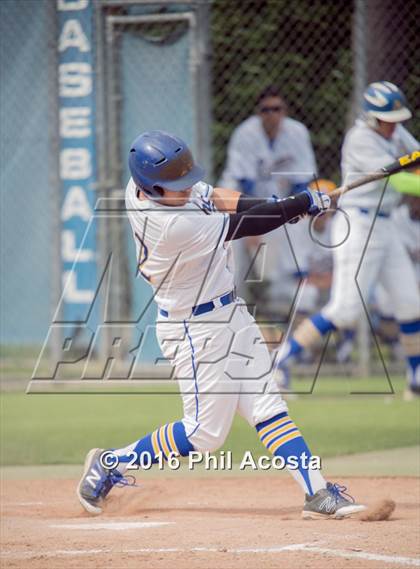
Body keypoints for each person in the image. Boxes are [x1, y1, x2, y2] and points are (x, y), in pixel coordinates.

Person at [76, 130, 366, 519]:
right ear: (153, 189)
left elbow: (217, 197)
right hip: (193, 330)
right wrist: (297, 204)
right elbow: (247, 224)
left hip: (231, 313)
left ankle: (317, 493)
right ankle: (112, 463)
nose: (188, 187)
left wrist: (285, 205)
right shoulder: (170, 225)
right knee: (203, 435)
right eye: (177, 185)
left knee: (268, 405)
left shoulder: (150, 185)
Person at [276, 81, 420, 397]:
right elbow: (401, 182)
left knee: (410, 303)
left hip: (386, 226)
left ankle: (415, 381)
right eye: (387, 120)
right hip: (359, 224)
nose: (393, 126)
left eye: (396, 120)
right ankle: (280, 362)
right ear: (372, 118)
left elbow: (414, 157)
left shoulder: (395, 133)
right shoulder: (360, 140)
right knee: (345, 310)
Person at [219, 85, 318, 306]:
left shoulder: (297, 132)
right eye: (266, 110)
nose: (272, 114)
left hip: (277, 200)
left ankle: (289, 299)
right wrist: (253, 222)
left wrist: (293, 208)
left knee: (296, 232)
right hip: (238, 201)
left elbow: (302, 181)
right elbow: (244, 183)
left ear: (285, 111)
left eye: (277, 108)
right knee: (233, 257)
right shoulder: (245, 134)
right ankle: (231, 303)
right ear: (258, 112)